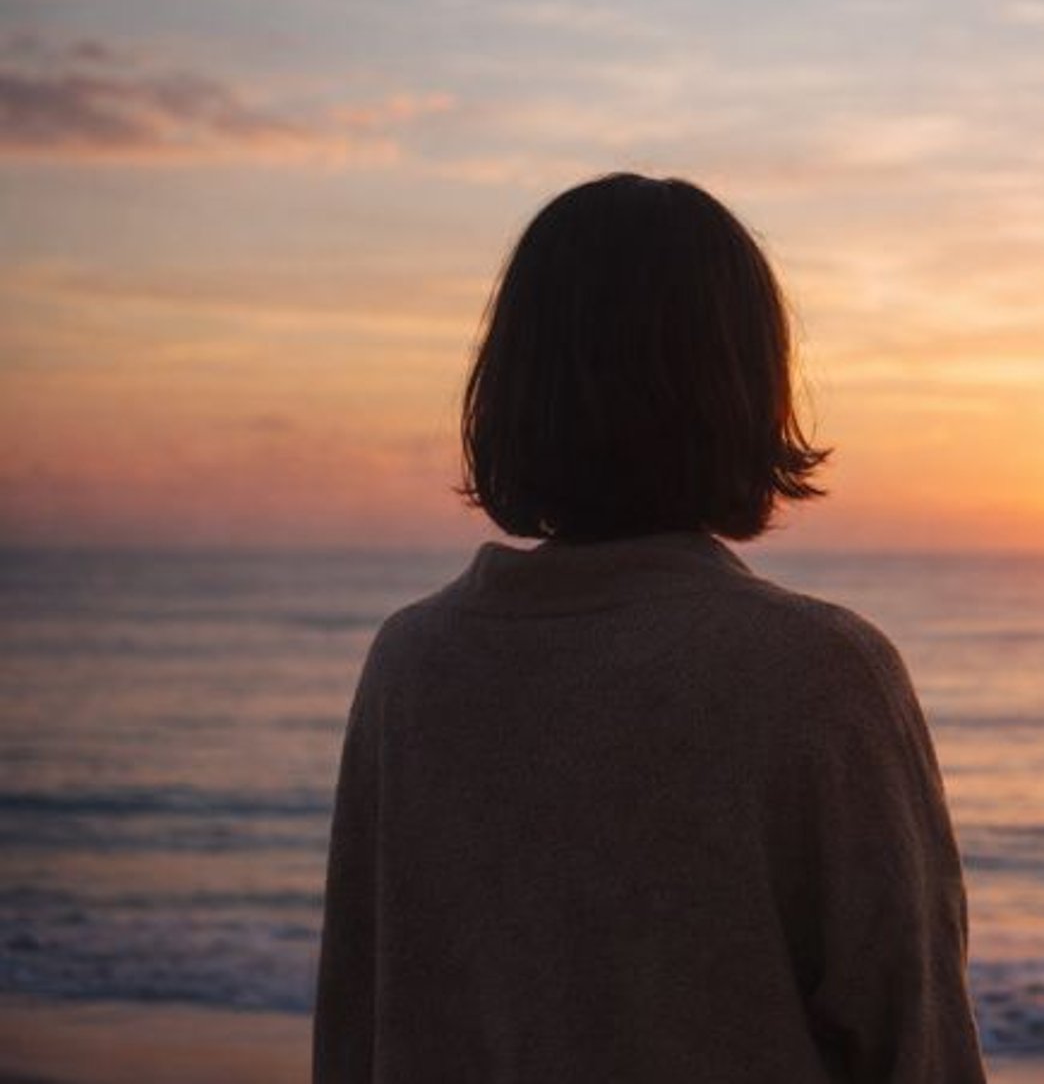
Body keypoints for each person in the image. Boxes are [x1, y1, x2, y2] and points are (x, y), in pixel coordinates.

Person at [313, 174, 987, 1083]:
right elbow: (917, 1044)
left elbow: (356, 1025)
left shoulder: (411, 665)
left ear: (512, 382)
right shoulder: (821, 674)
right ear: (748, 387)